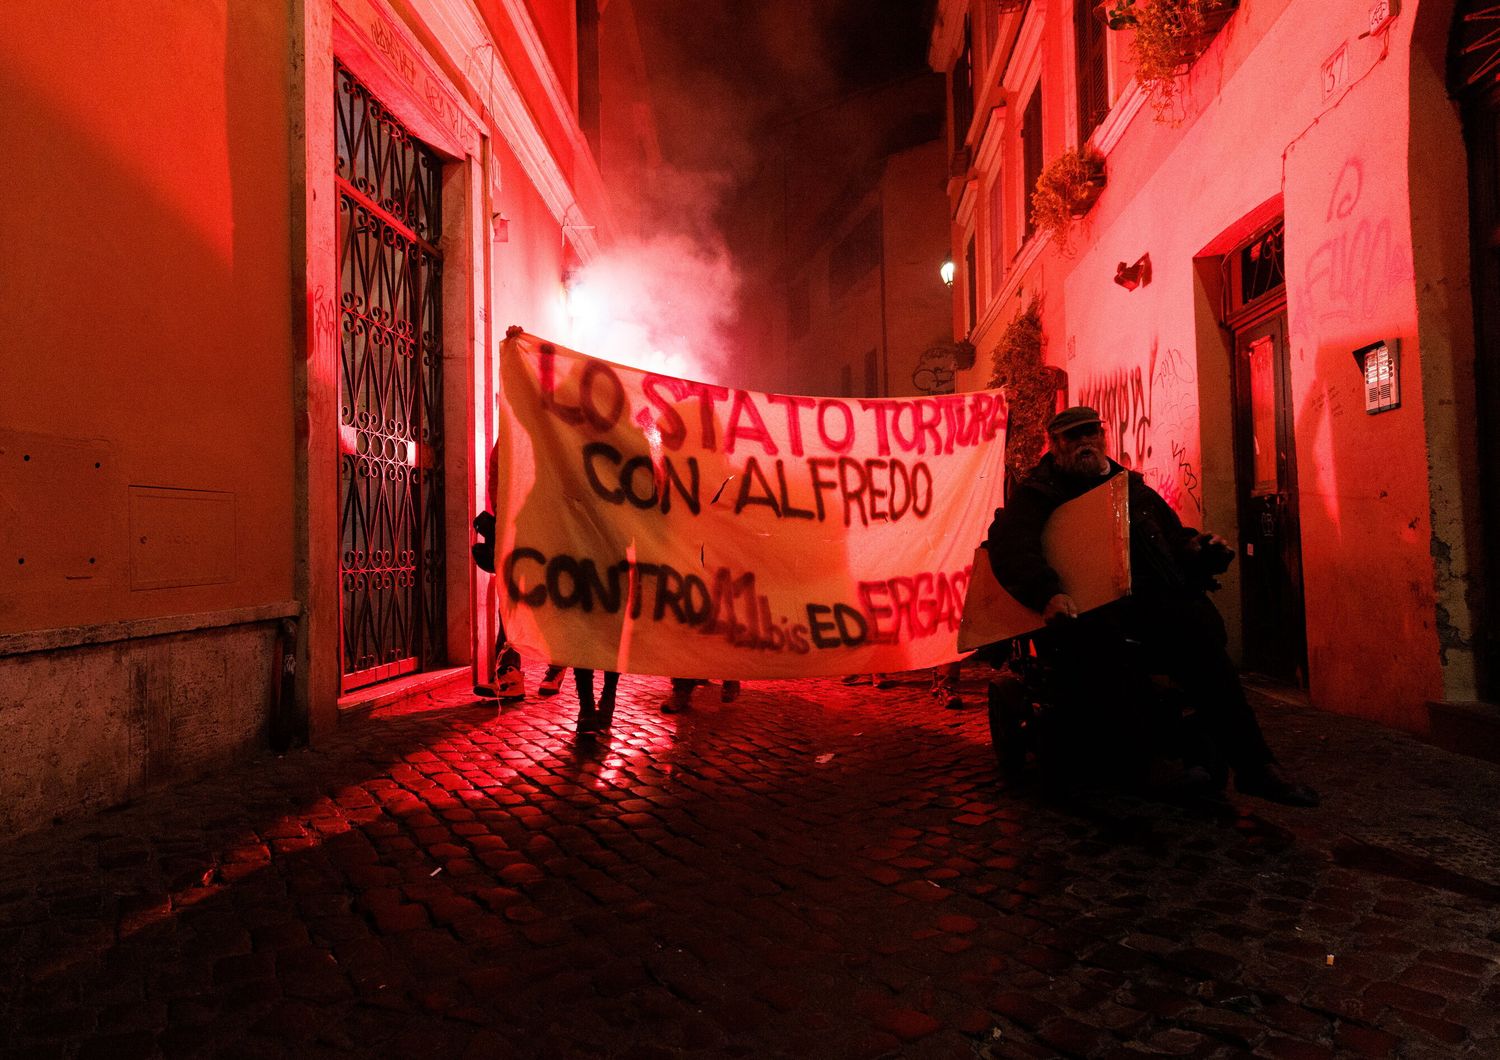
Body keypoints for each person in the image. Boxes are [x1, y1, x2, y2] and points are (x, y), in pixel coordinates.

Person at [986, 405, 1318, 807]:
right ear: (1056, 445)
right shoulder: (1037, 496)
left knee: (1206, 650)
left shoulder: (1132, 489)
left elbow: (1171, 537)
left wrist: (1199, 550)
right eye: (1074, 437)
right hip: (1081, 610)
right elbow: (1013, 550)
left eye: (1092, 433)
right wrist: (1047, 594)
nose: (1086, 443)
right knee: (1105, 649)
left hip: (1148, 601)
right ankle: (1141, 759)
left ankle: (1255, 765)